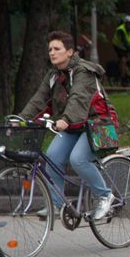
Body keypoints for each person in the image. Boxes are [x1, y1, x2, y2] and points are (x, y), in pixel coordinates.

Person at [19, 31, 117, 221]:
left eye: (57, 49)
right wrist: (21, 119)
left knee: (79, 159)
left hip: (101, 125)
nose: (52, 53)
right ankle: (58, 205)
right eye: (50, 49)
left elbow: (78, 98)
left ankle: (105, 196)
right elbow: (38, 100)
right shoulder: (54, 75)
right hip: (74, 125)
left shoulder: (84, 72)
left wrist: (65, 119)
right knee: (53, 157)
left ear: (70, 52)